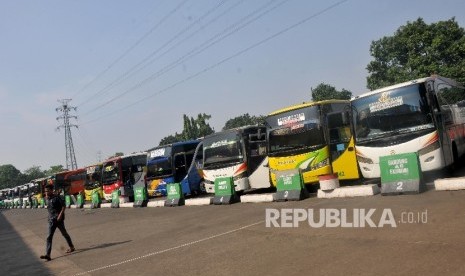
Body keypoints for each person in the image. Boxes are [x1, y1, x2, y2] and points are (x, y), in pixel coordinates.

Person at [40, 185, 75, 261]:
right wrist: (47, 197)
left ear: (52, 190)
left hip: (58, 220)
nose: (46, 192)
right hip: (51, 220)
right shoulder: (47, 198)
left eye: (48, 191)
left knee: (64, 234)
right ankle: (48, 255)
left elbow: (63, 206)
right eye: (45, 191)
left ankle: (71, 247)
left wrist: (60, 215)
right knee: (49, 237)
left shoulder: (57, 197)